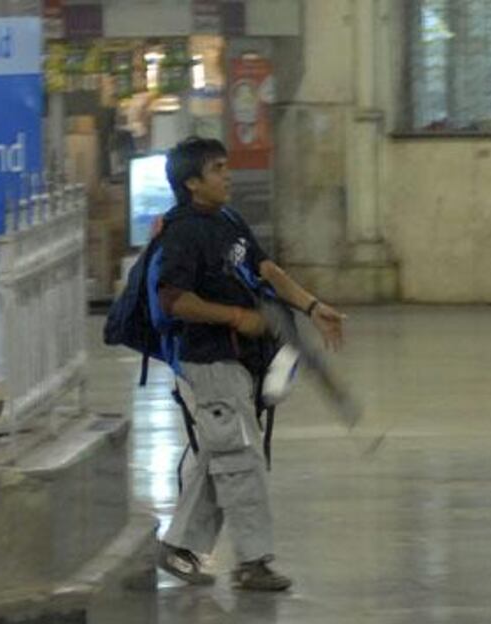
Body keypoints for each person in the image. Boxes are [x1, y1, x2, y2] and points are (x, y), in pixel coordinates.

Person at [154, 136, 344, 591]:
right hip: (210, 361)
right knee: (240, 458)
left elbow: (266, 269)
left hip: (241, 361)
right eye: (218, 168)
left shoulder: (228, 220)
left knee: (222, 454)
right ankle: (252, 562)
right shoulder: (182, 233)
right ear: (193, 183)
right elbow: (174, 300)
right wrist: (237, 317)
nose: (228, 174)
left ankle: (179, 548)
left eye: (225, 166)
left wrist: (313, 307)